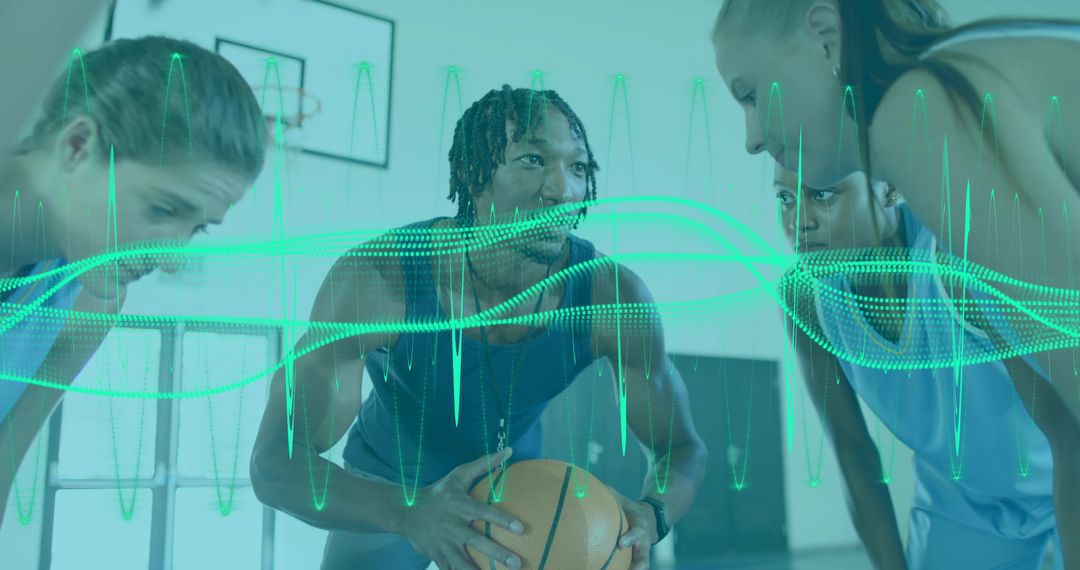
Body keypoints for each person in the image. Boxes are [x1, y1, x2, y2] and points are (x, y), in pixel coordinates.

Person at [250, 85, 708, 570]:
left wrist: (653, 514)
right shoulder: (381, 280)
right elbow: (275, 464)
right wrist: (408, 513)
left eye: (579, 168)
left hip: (515, 495)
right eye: (533, 159)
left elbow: (680, 447)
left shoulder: (612, 299)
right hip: (387, 492)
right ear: (472, 172)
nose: (563, 189)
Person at [0, 35, 266, 528]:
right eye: (163, 209)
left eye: (197, 227)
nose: (169, 258)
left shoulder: (89, 305)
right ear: (77, 147)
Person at [772, 163, 1073, 569]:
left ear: (890, 187)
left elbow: (1068, 433)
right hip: (961, 501)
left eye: (822, 194)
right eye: (785, 198)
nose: (799, 221)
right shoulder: (804, 297)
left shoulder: (957, 259)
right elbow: (854, 452)